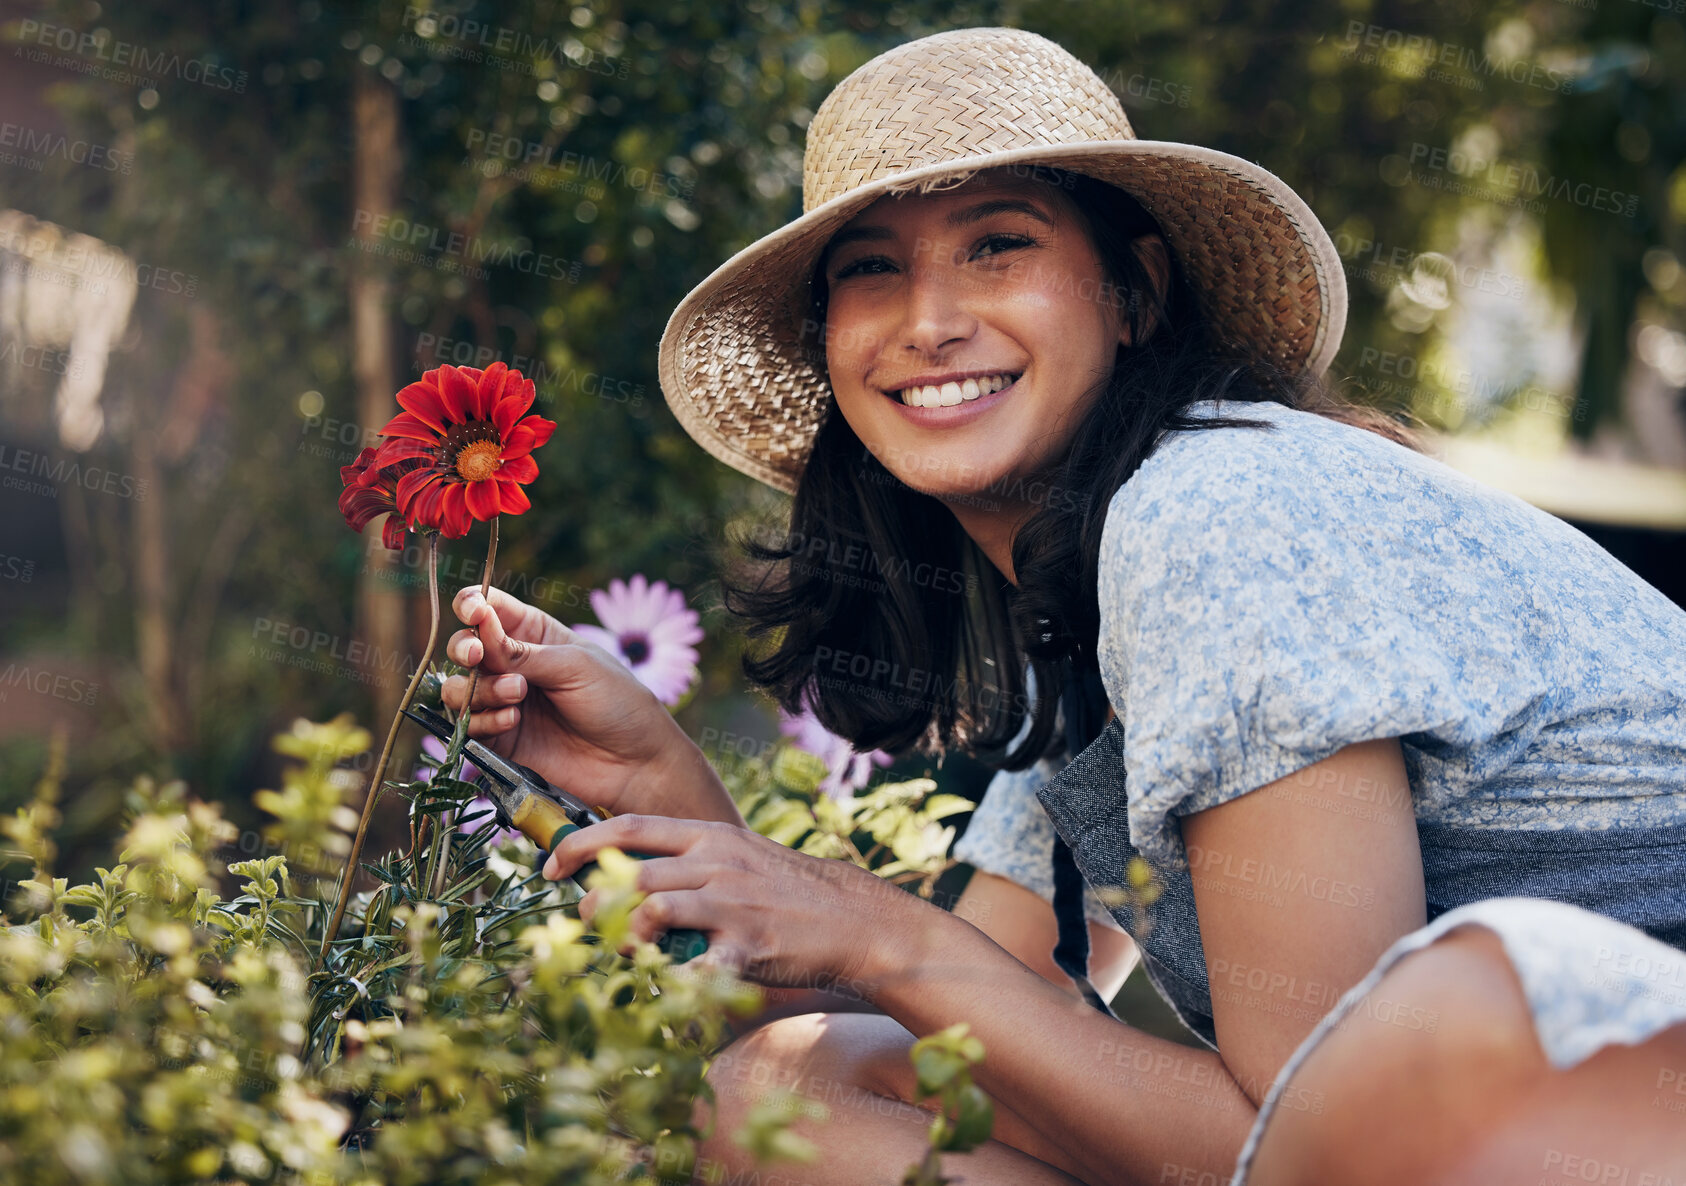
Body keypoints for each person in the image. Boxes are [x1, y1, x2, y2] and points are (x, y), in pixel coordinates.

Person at [439, 26, 1686, 1186]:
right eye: (872, 271)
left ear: (1133, 290)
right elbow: (950, 1042)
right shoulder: (1086, 607)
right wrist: (668, 792)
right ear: (831, 344)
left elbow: (1319, 1147)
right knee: (785, 1095)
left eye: (1000, 243)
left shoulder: (1220, 513)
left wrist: (873, 924)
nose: (930, 322)